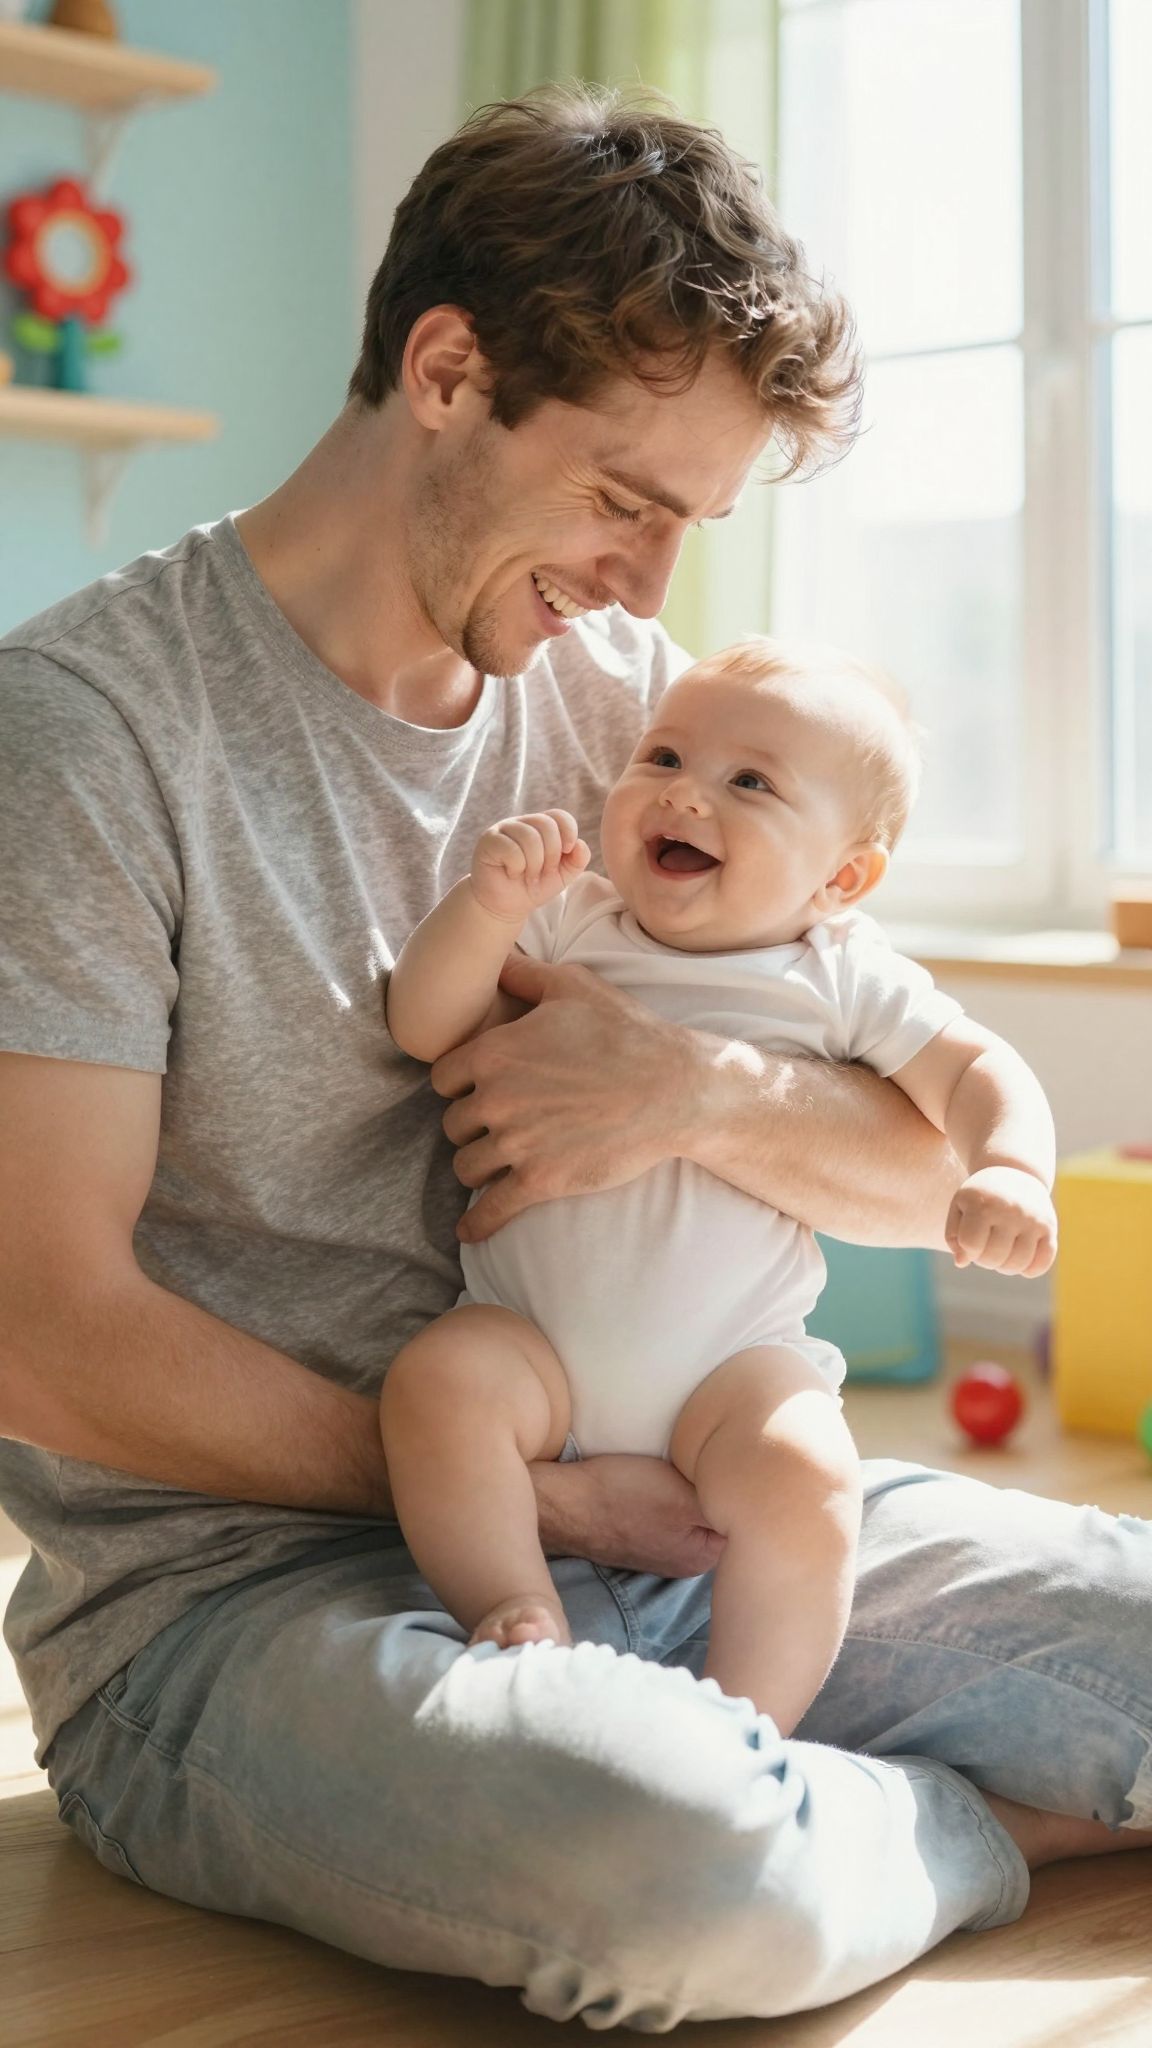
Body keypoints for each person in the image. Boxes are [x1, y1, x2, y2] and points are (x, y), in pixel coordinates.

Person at [1, 83, 1150, 2030]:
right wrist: (544, 1501)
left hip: (680, 1505)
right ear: (446, 372)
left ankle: (812, 1814)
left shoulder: (637, 712)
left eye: (693, 525)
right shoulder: (93, 734)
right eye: (630, 501)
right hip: (245, 1608)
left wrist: (710, 1096)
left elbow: (917, 1164)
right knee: (672, 1868)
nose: (648, 586)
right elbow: (43, 1325)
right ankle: (953, 1827)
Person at [381, 639, 1059, 1733]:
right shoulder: (574, 920)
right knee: (435, 1383)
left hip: (728, 1375)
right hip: (531, 1345)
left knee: (808, 1478)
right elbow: (423, 1021)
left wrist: (1012, 1167)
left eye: (751, 782)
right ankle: (514, 1605)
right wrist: (486, 907)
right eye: (663, 756)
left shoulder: (837, 971)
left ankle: (749, 1720)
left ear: (842, 875)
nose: (685, 791)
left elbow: (979, 1068)